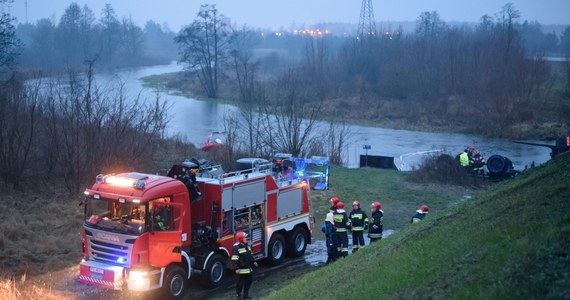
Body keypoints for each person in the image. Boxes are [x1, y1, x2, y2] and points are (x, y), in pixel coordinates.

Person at [232, 232, 257, 299]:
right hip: (241, 271)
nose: (247, 239)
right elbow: (234, 259)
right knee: (240, 284)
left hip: (249, 269)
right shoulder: (236, 248)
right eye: (245, 238)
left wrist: (254, 261)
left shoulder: (247, 247)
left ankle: (245, 295)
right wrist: (236, 268)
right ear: (240, 239)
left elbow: (250, 256)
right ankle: (238, 296)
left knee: (249, 282)